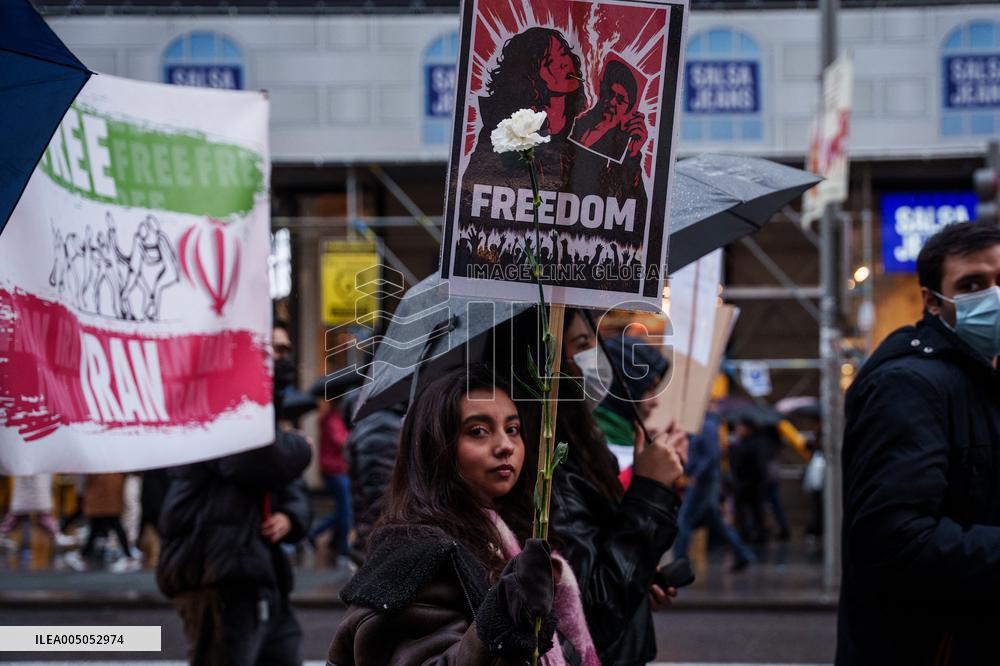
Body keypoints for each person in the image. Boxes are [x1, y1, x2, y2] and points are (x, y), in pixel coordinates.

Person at [329, 364, 598, 664]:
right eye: (478, 431)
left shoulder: (510, 536)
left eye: (512, 429)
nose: (505, 446)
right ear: (436, 445)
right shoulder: (421, 553)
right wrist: (504, 618)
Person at [837, 222, 1000, 665]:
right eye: (972, 285)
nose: (993, 296)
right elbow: (894, 542)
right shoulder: (907, 386)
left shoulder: (979, 378)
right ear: (932, 301)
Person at [516, 309, 686, 666]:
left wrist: (639, 577)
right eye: (581, 344)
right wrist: (650, 491)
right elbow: (589, 612)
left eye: (594, 342)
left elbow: (601, 560)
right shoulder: (551, 466)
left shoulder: (582, 443)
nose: (595, 357)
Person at [156, 322, 313, 666]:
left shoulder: (265, 412)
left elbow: (289, 484)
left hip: (260, 572)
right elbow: (256, 461)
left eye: (285, 349)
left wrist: (290, 517)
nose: (281, 357)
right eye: (272, 348)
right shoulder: (220, 402)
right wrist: (300, 447)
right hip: (217, 573)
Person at [673, 410, 756, 572]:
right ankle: (742, 553)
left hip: (703, 481)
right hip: (704, 480)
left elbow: (711, 455)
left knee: (685, 521)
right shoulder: (703, 425)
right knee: (714, 520)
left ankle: (679, 562)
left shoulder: (707, 426)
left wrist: (696, 474)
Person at [307, 392, 353, 569]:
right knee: (345, 510)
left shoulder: (333, 419)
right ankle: (341, 548)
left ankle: (324, 537)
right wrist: (352, 436)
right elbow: (340, 442)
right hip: (335, 470)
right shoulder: (332, 420)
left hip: (336, 470)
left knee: (343, 510)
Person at [0, 474, 74, 552]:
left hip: (32, 487)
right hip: (34, 487)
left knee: (17, 515)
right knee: (40, 514)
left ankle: (57, 536)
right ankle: (57, 536)